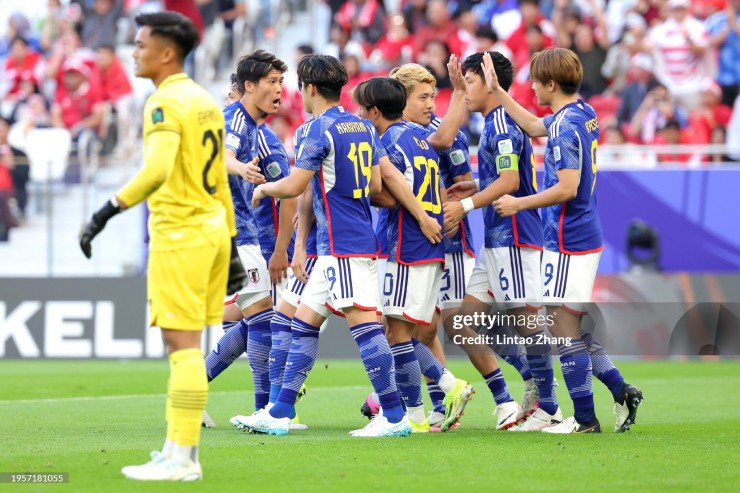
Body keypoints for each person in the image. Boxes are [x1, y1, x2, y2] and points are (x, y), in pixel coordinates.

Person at [234, 54, 442, 437]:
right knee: (302, 324)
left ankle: (394, 417)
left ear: (309, 88)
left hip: (342, 247)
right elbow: (378, 187)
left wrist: (263, 186)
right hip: (348, 242)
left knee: (366, 328)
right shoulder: (362, 127)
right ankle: (280, 412)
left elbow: (295, 186)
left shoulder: (316, 130)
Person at [78, 11, 245, 480]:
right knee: (183, 340)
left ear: (166, 52)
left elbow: (156, 170)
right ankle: (176, 447)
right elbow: (217, 180)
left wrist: (104, 212)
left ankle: (183, 458)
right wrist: (230, 244)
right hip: (211, 227)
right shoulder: (204, 100)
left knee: (183, 343)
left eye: (140, 44)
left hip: (181, 231)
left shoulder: (164, 103)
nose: (133, 51)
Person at [485, 48, 644, 433]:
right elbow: (536, 126)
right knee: (568, 326)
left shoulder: (564, 127)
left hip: (568, 238)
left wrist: (518, 202)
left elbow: (567, 187)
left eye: (537, 82)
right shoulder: (582, 113)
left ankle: (585, 419)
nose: (533, 88)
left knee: (562, 331)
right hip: (583, 234)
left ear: (551, 84)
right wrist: (499, 93)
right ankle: (620, 389)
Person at [354, 76, 473, 433]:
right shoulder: (419, 139)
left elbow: (386, 190)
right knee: (402, 331)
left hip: (407, 246)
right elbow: (435, 183)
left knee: (396, 333)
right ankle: (416, 417)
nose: (360, 115)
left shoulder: (386, 142)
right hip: (431, 248)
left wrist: (355, 192)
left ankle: (450, 387)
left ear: (375, 111)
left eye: (363, 109)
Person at [444, 51, 542, 430]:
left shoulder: (501, 122)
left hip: (513, 236)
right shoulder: (494, 121)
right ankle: (523, 386)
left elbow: (511, 184)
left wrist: (465, 204)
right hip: (496, 242)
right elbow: (503, 176)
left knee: (527, 322)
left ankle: (551, 405)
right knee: (459, 320)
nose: (465, 90)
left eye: (469, 82)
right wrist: (477, 183)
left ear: (489, 81)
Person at [203, 51, 288, 419]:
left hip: (242, 233)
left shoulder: (254, 127)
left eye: (281, 82)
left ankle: (264, 406)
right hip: (237, 234)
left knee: (256, 319)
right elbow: (224, 156)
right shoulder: (236, 118)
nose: (279, 90)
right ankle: (266, 408)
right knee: (262, 320)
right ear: (248, 88)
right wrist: (241, 169)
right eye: (272, 82)